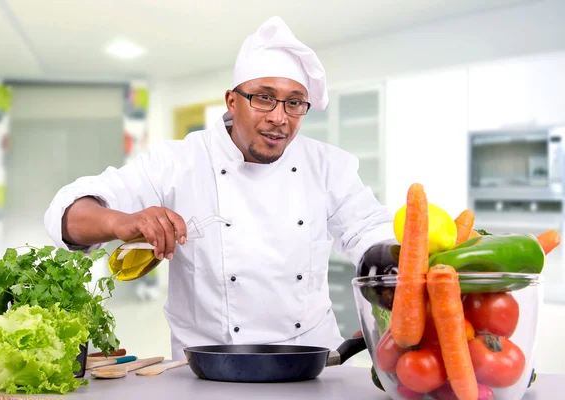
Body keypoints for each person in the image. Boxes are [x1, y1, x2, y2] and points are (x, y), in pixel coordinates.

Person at [44, 16, 395, 360]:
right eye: (264, 98)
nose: (279, 117)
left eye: (294, 103)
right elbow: (67, 213)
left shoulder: (328, 166)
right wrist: (120, 222)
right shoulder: (177, 162)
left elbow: (371, 232)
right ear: (232, 100)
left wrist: (395, 289)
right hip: (206, 368)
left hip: (313, 362)